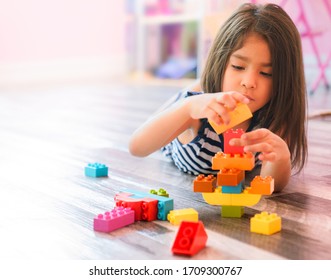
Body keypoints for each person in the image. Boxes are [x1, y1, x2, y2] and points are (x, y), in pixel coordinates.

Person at [129, 3, 308, 192]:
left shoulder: (274, 116)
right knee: (181, 101)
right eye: (238, 67)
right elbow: (137, 147)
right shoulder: (197, 110)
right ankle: (193, 89)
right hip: (189, 108)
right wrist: (188, 106)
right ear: (221, 62)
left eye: (266, 73)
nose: (249, 82)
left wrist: (280, 159)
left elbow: (271, 184)